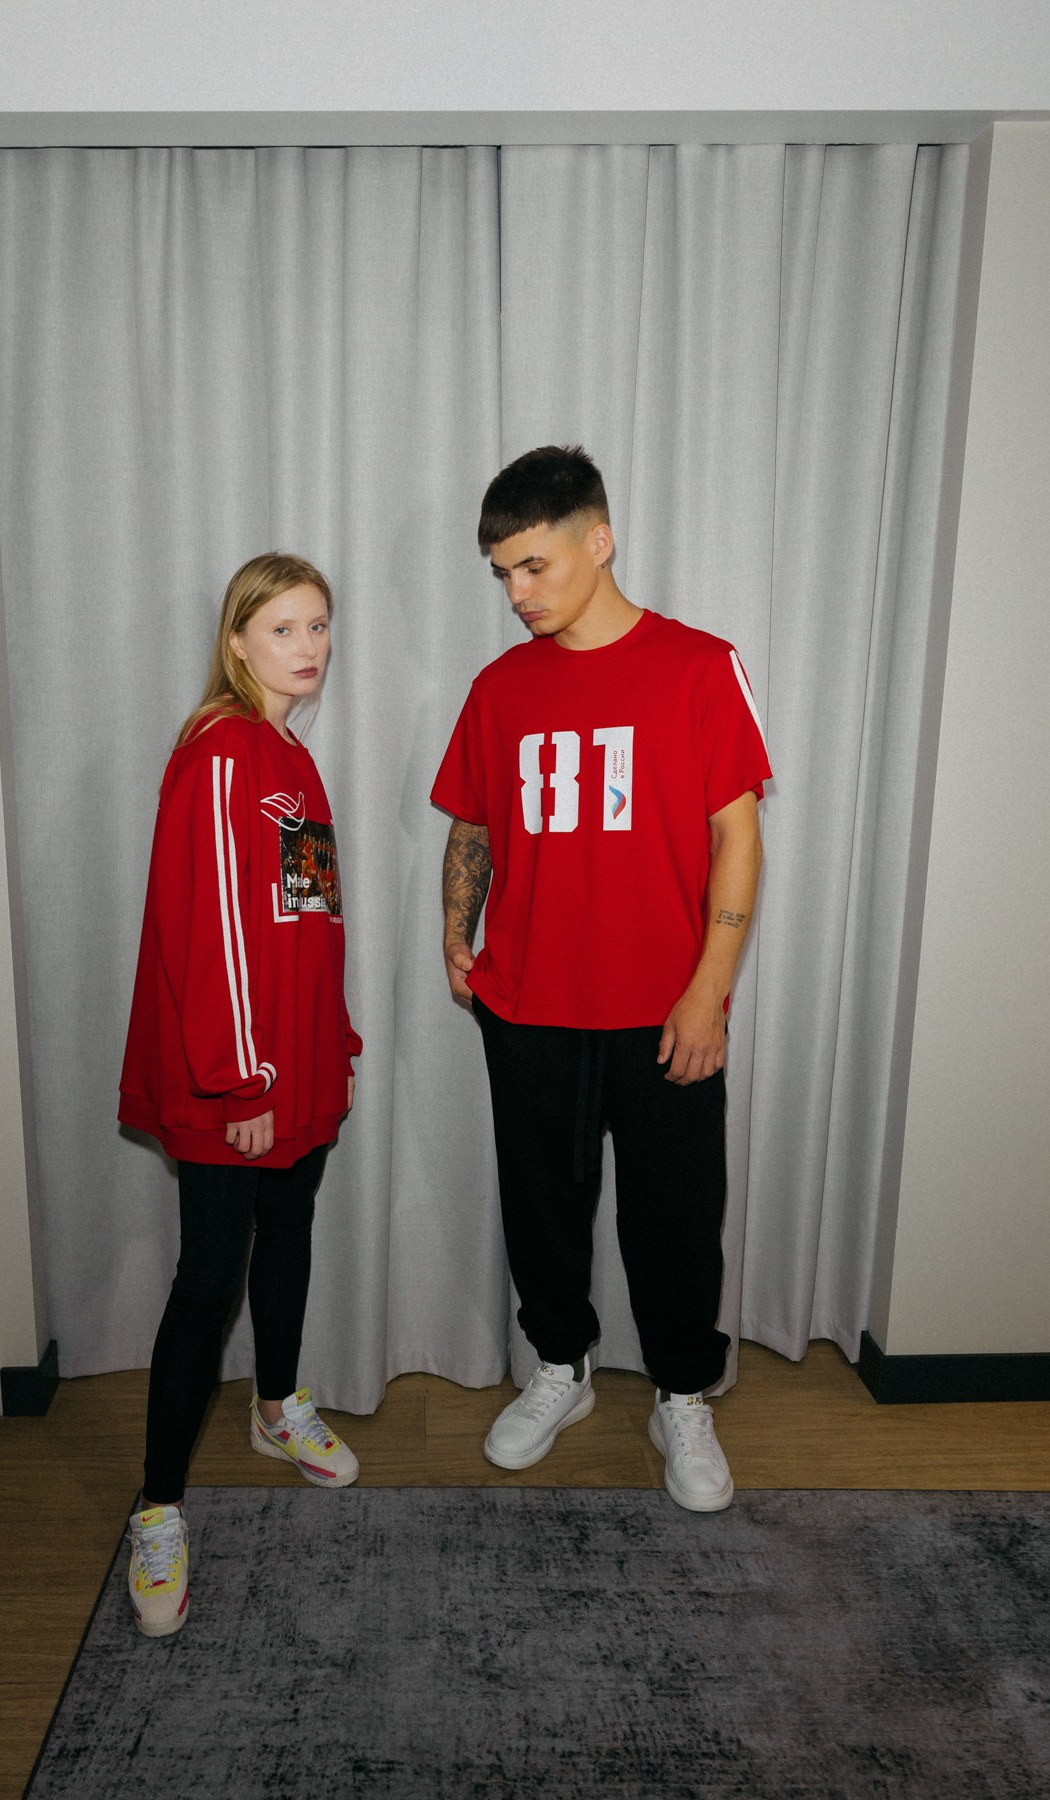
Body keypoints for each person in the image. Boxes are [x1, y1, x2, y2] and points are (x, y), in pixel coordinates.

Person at [431, 447, 771, 1512]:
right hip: (529, 1002)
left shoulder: (698, 666)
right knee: (543, 1208)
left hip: (664, 1009)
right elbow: (474, 823)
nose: (517, 594)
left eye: (533, 566)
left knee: (676, 1216)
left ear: (600, 540)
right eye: (503, 574)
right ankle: (560, 1368)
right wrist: (455, 934)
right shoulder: (501, 687)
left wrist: (708, 990)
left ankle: (682, 1392)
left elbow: (738, 837)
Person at [118, 552, 362, 1637]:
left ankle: (277, 1408)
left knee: (290, 1231)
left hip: (296, 1068)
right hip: (240, 1078)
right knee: (208, 1278)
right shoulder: (222, 752)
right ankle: (156, 1509)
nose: (308, 646)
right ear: (236, 642)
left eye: (319, 625)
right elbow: (208, 930)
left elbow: (309, 922)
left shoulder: (291, 757)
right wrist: (242, 1076)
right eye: (283, 628)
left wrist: (334, 1041)